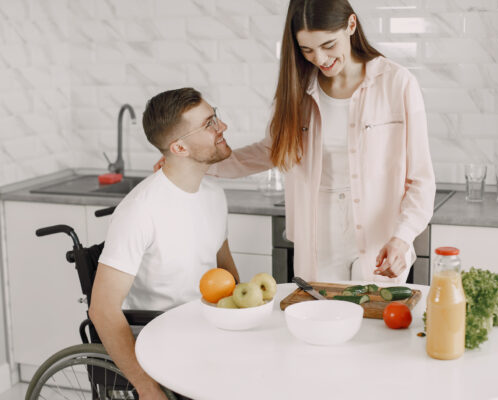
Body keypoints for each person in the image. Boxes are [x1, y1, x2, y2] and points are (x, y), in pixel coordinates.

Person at [157, 0, 436, 284]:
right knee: (321, 322)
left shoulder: (397, 83)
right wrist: (196, 163)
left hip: (382, 236)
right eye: (307, 50)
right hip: (317, 237)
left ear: (351, 25)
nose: (320, 59)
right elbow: (269, 152)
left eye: (328, 45)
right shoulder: (297, 91)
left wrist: (402, 238)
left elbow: (420, 180)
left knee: (375, 323)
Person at [90, 87, 239, 400]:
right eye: (210, 123)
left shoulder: (214, 195)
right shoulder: (139, 210)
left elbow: (224, 266)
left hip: (205, 329)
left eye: (216, 117)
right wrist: (146, 387)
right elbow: (102, 310)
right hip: (160, 342)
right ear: (180, 147)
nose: (222, 127)